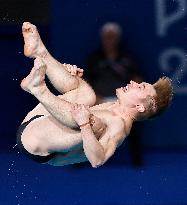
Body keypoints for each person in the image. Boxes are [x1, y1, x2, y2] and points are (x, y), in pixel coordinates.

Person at [16, 22, 173, 168]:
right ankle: (40, 52)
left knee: (94, 123)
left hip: (35, 143)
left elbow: (97, 160)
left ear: (139, 107)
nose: (133, 82)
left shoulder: (119, 125)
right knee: (87, 93)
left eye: (140, 87)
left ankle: (38, 89)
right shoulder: (113, 108)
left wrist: (84, 124)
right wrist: (72, 78)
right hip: (36, 121)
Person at [85, 22, 144, 166]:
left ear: (118, 38)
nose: (109, 40)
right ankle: (80, 160)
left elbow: (137, 79)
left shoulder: (128, 58)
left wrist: (131, 99)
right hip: (99, 101)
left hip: (123, 102)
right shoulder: (94, 58)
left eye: (112, 37)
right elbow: (85, 81)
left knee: (132, 124)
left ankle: (137, 159)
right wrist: (94, 98)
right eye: (107, 37)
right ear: (102, 38)